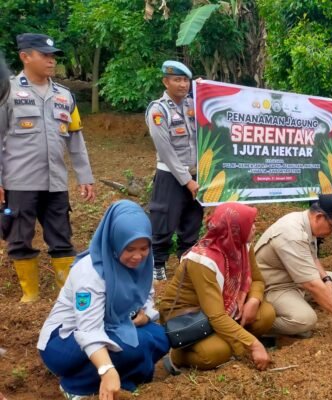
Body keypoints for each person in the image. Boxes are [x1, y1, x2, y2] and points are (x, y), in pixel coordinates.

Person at [37, 200, 169, 400]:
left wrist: (145, 316)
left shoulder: (143, 263)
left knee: (159, 336)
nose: (138, 256)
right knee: (132, 346)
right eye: (130, 248)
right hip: (64, 341)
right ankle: (76, 386)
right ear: (115, 241)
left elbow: (145, 299)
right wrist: (106, 368)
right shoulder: (91, 271)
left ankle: (121, 379)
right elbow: (87, 329)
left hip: (114, 326)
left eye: (144, 248)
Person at [0, 33, 95, 303]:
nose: (51, 61)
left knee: (62, 236)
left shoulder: (64, 96)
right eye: (44, 55)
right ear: (25, 56)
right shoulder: (6, 92)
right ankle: (30, 292)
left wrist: (85, 176)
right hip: (19, 181)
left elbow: (76, 138)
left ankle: (64, 289)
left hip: (56, 182)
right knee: (19, 236)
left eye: (53, 56)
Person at [159, 202, 274, 372]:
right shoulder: (202, 261)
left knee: (266, 314)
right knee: (215, 353)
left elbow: (257, 280)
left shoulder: (242, 245)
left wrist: (254, 301)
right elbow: (216, 315)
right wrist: (254, 345)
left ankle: (234, 342)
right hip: (192, 316)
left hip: (223, 309)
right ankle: (177, 356)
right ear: (234, 229)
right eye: (250, 225)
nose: (254, 228)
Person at [255, 194, 332, 338]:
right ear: (319, 217)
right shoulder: (291, 233)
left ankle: (296, 306)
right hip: (273, 287)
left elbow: (312, 257)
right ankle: (261, 327)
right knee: (306, 320)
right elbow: (311, 284)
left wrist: (326, 280)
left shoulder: (306, 222)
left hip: (293, 281)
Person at [146, 60, 203, 280]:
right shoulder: (158, 110)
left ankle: (185, 263)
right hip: (170, 176)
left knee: (192, 222)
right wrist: (186, 180)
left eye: (186, 80)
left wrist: (202, 90)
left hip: (196, 175)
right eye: (177, 80)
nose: (183, 85)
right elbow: (165, 150)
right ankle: (157, 264)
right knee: (163, 222)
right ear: (166, 82)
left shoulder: (193, 104)